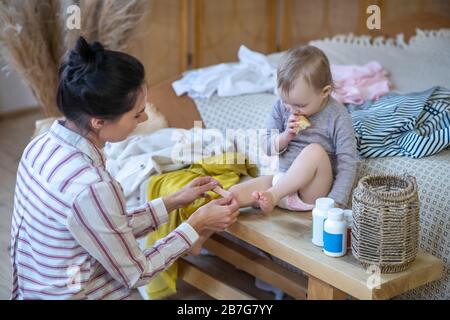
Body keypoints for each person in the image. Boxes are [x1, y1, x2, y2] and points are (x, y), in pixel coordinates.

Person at [10, 36, 239, 300]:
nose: (143, 119)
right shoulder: (92, 187)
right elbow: (137, 273)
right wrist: (195, 225)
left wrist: (173, 201)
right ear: (98, 122)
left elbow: (104, 226)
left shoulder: (40, 145)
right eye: (136, 114)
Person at [189, 45, 358, 254]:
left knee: (315, 151)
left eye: (300, 105)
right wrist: (285, 136)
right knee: (232, 195)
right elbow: (267, 147)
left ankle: (272, 196)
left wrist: (336, 205)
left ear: (325, 92)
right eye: (287, 103)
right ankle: (201, 237)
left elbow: (348, 162)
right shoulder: (282, 106)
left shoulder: (337, 115)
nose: (292, 110)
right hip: (280, 181)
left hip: (311, 193)